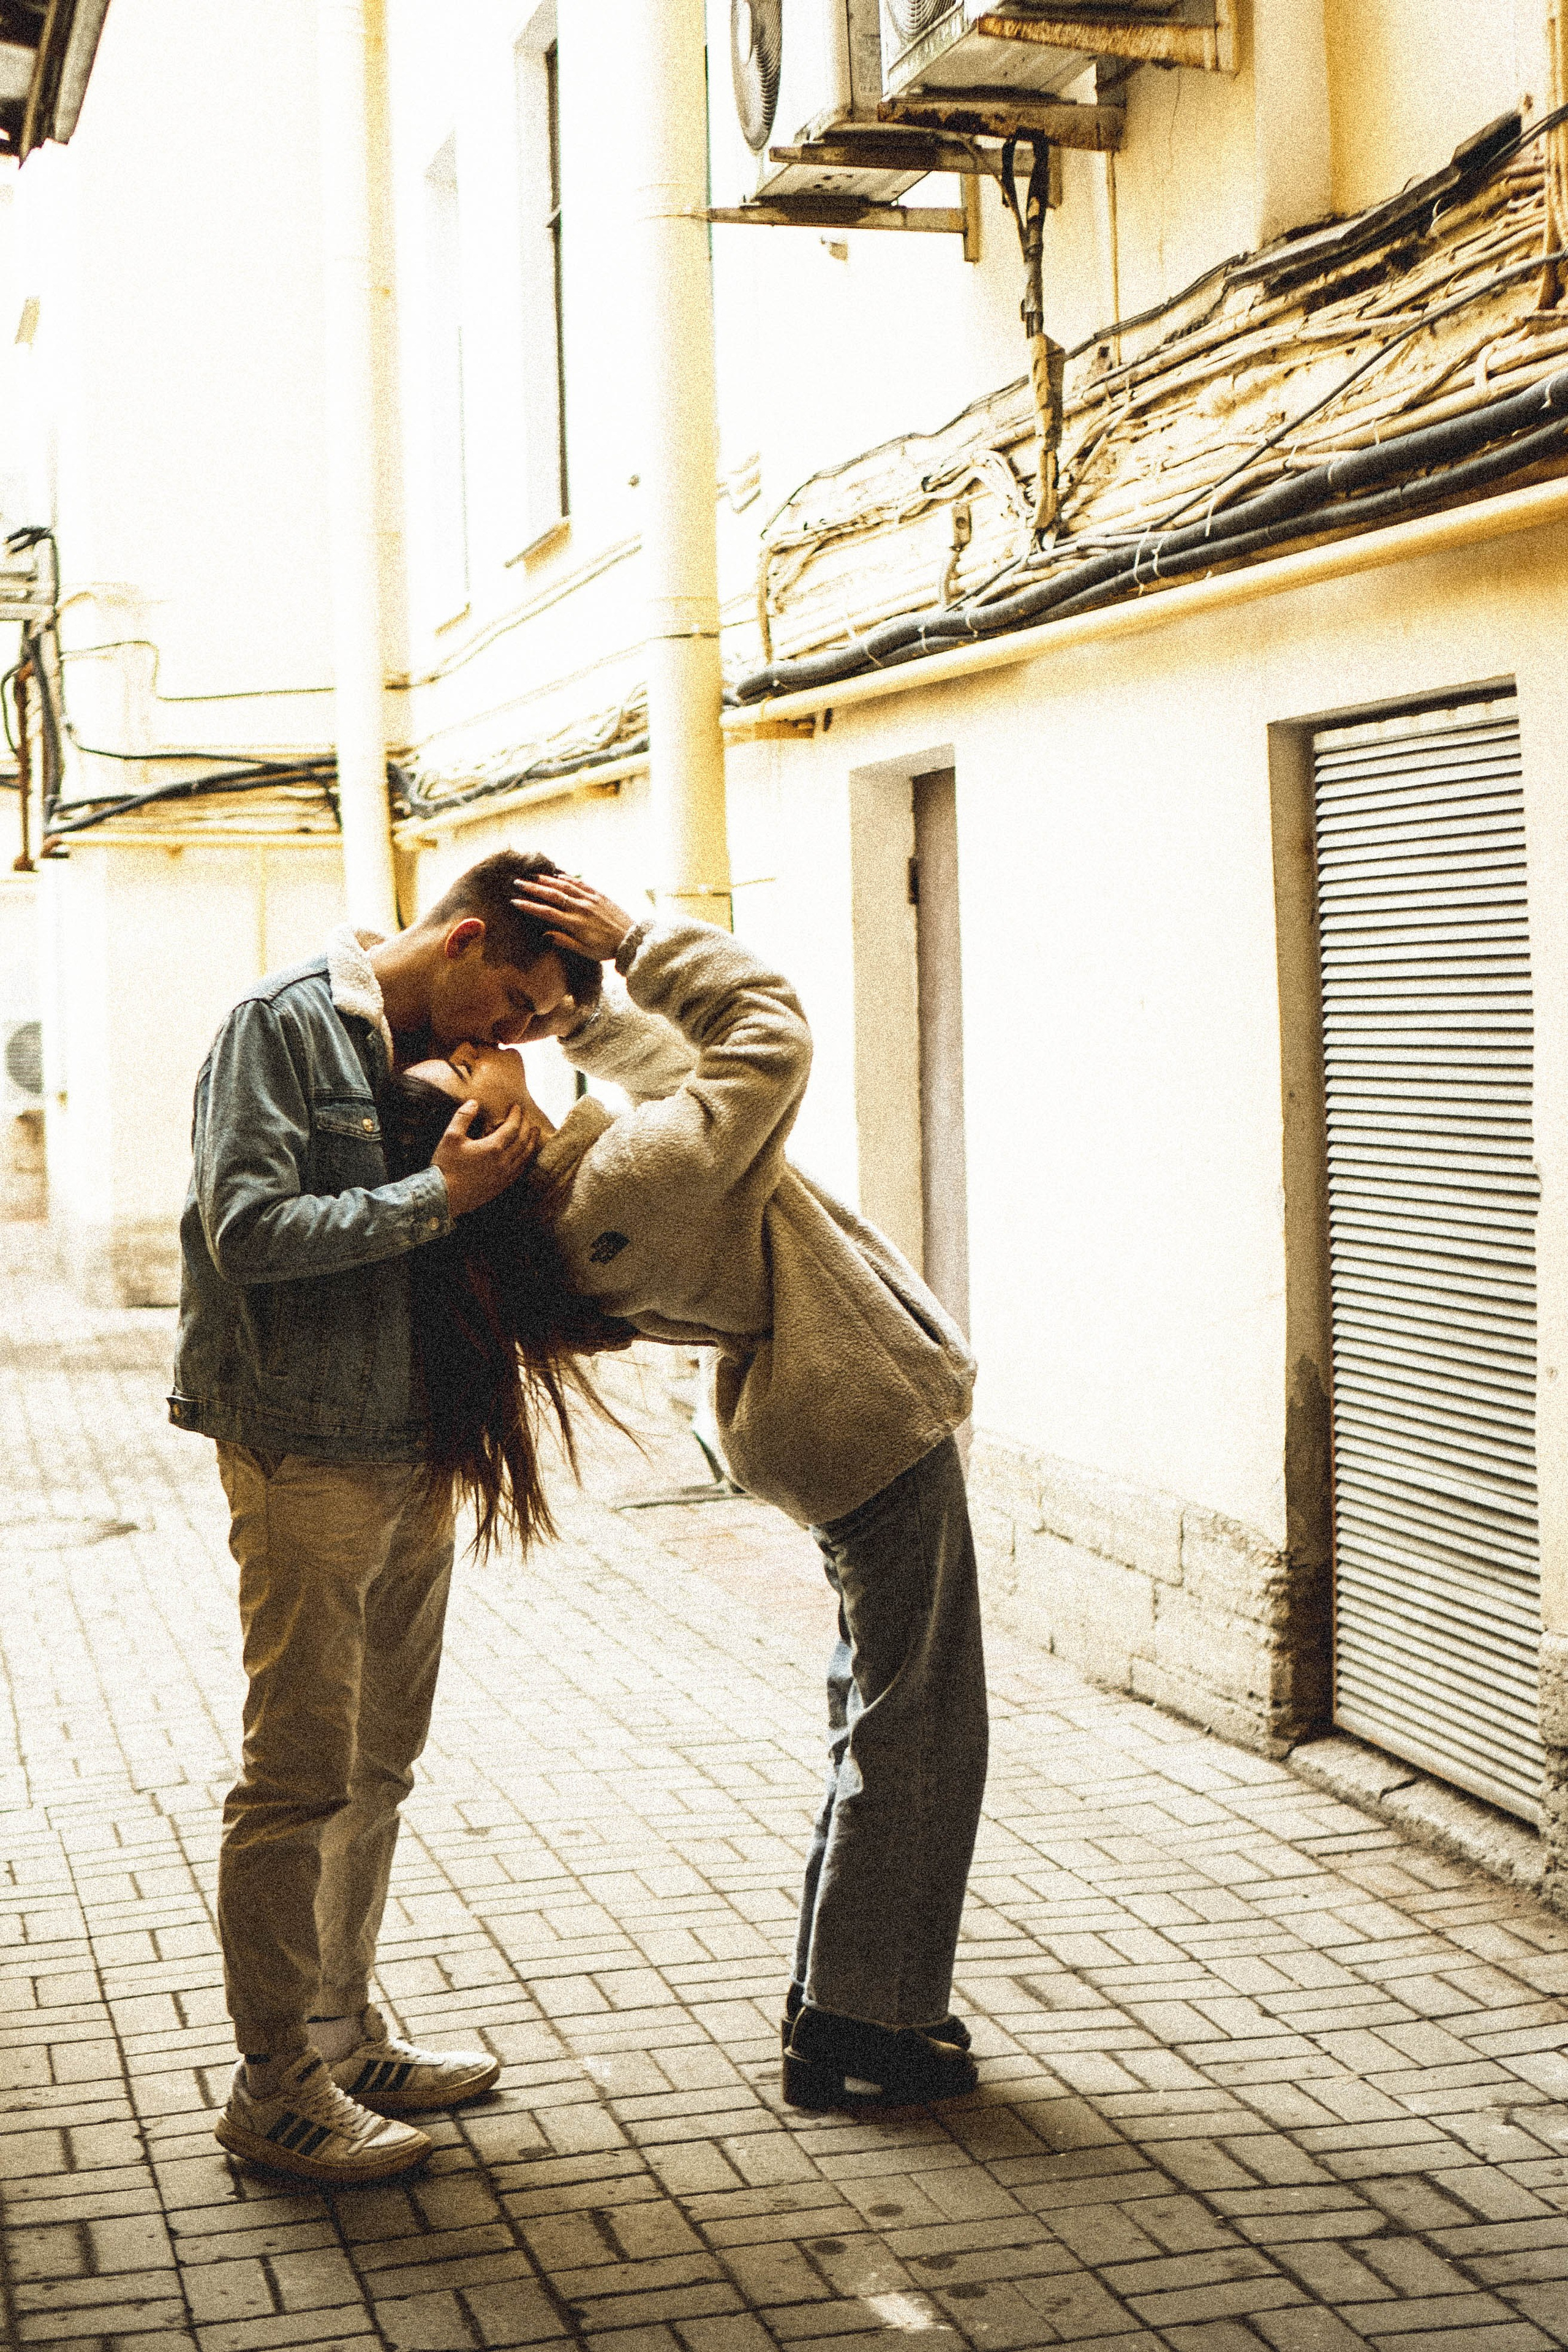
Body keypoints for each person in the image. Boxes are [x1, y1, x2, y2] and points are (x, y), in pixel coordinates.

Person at [396, 870, 989, 2113]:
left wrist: (574, 1017)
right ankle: (859, 2026)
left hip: (834, 1424)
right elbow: (760, 1040)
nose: (486, 1045)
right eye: (468, 1066)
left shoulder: (574, 1196)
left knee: (884, 1715)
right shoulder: (613, 1189)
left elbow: (667, 1088)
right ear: (484, 1138)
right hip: (863, 1425)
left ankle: (852, 1996)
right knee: (915, 1730)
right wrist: (638, 945)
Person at [170, 851, 604, 2185]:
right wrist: (440, 1196)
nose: (506, 1040)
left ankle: (342, 2033)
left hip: (415, 1446)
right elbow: (245, 1230)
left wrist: (509, 1121)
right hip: (305, 1447)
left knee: (379, 1764)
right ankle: (271, 2089)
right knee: (296, 1774)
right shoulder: (282, 1023)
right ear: (464, 938)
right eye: (514, 1007)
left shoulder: (436, 1061)